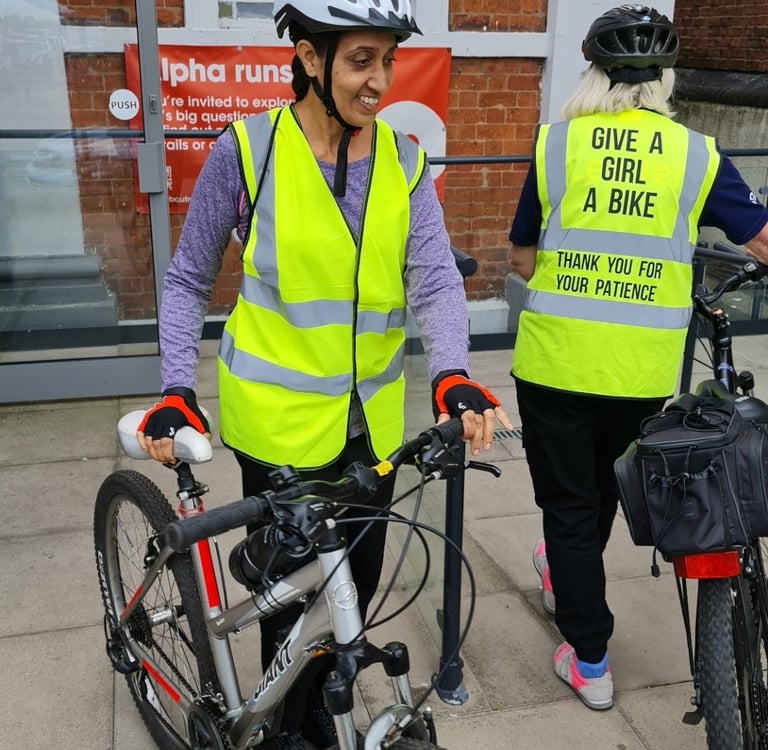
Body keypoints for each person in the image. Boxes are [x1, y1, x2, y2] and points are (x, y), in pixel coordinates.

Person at [136, 1, 511, 747]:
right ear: (310, 58)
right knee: (288, 606)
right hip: (279, 429)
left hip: (371, 428)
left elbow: (434, 277)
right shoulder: (248, 151)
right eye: (361, 60)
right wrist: (176, 389)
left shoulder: (404, 159)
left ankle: (307, 711)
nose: (380, 81)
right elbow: (186, 278)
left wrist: (453, 374)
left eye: (388, 61)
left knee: (356, 590)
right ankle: (286, 727)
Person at [508, 4, 768, 711]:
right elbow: (761, 238)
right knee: (599, 490)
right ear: (664, 80)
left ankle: (589, 657)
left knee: (568, 504)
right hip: (641, 371)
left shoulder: (556, 145)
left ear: (592, 73)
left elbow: (522, 258)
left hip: (555, 363)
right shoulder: (695, 154)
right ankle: (569, 581)